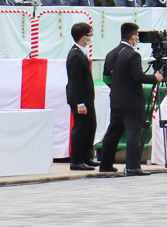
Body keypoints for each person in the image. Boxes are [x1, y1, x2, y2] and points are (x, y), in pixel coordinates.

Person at [96, 22, 154, 175]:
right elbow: (138, 77)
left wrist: (116, 89)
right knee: (134, 132)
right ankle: (133, 166)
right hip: (132, 101)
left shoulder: (111, 53)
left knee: (113, 132)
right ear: (134, 36)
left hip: (116, 99)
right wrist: (156, 77)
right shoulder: (133, 55)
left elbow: (106, 78)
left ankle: (105, 164)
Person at [66, 21, 97, 170]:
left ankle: (86, 156)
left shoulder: (81, 53)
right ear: (83, 37)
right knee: (81, 129)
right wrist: (79, 103)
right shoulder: (75, 55)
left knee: (90, 127)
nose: (91, 38)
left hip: (87, 98)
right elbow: (75, 81)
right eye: (90, 35)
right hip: (80, 99)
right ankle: (77, 160)